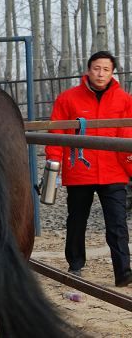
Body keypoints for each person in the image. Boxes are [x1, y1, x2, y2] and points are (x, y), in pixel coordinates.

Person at [45, 50, 132, 288]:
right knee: (77, 220)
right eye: (96, 68)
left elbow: (128, 136)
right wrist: (53, 168)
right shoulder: (68, 99)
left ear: (113, 72)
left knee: (117, 223)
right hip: (79, 172)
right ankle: (75, 265)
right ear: (88, 70)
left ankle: (123, 272)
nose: (101, 73)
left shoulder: (125, 100)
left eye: (106, 69)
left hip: (113, 172)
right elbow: (56, 135)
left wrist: (129, 168)